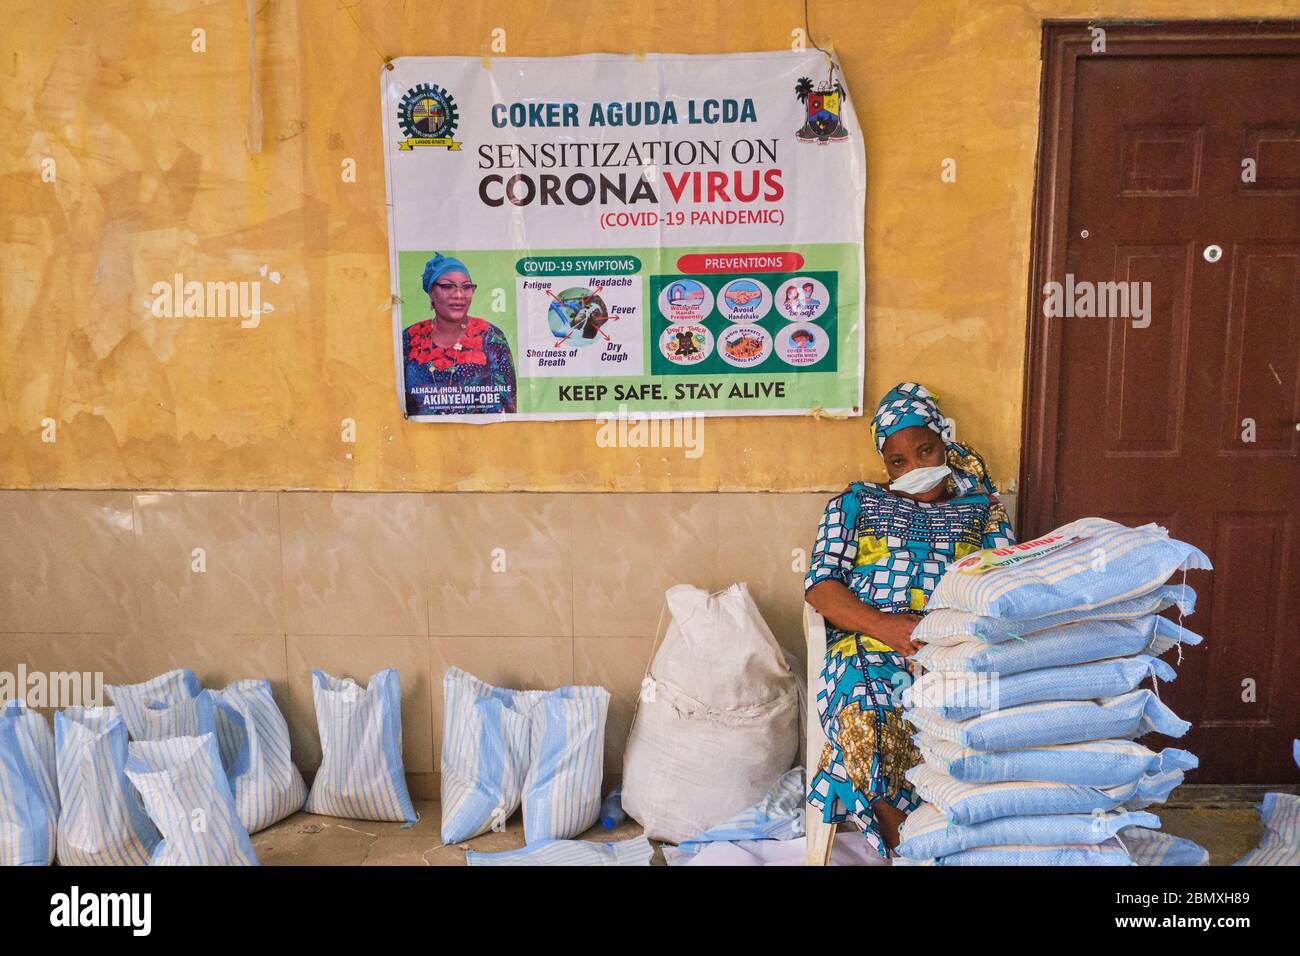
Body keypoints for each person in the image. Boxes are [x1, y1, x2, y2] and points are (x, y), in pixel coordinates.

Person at [804, 382, 1016, 857]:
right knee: (865, 714)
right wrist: (887, 628)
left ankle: (972, 840)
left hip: (957, 648)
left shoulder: (982, 510)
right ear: (886, 465)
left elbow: (1005, 584)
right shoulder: (854, 504)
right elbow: (821, 586)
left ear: (944, 443)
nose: (916, 468)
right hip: (870, 644)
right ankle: (907, 845)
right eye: (899, 461)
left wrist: (952, 638)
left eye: (925, 451)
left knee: (992, 716)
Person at [403, 254, 517, 415]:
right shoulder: (409, 339)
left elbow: (508, 408)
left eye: (466, 287)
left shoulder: (491, 338)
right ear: (431, 293)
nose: (459, 295)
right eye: (448, 286)